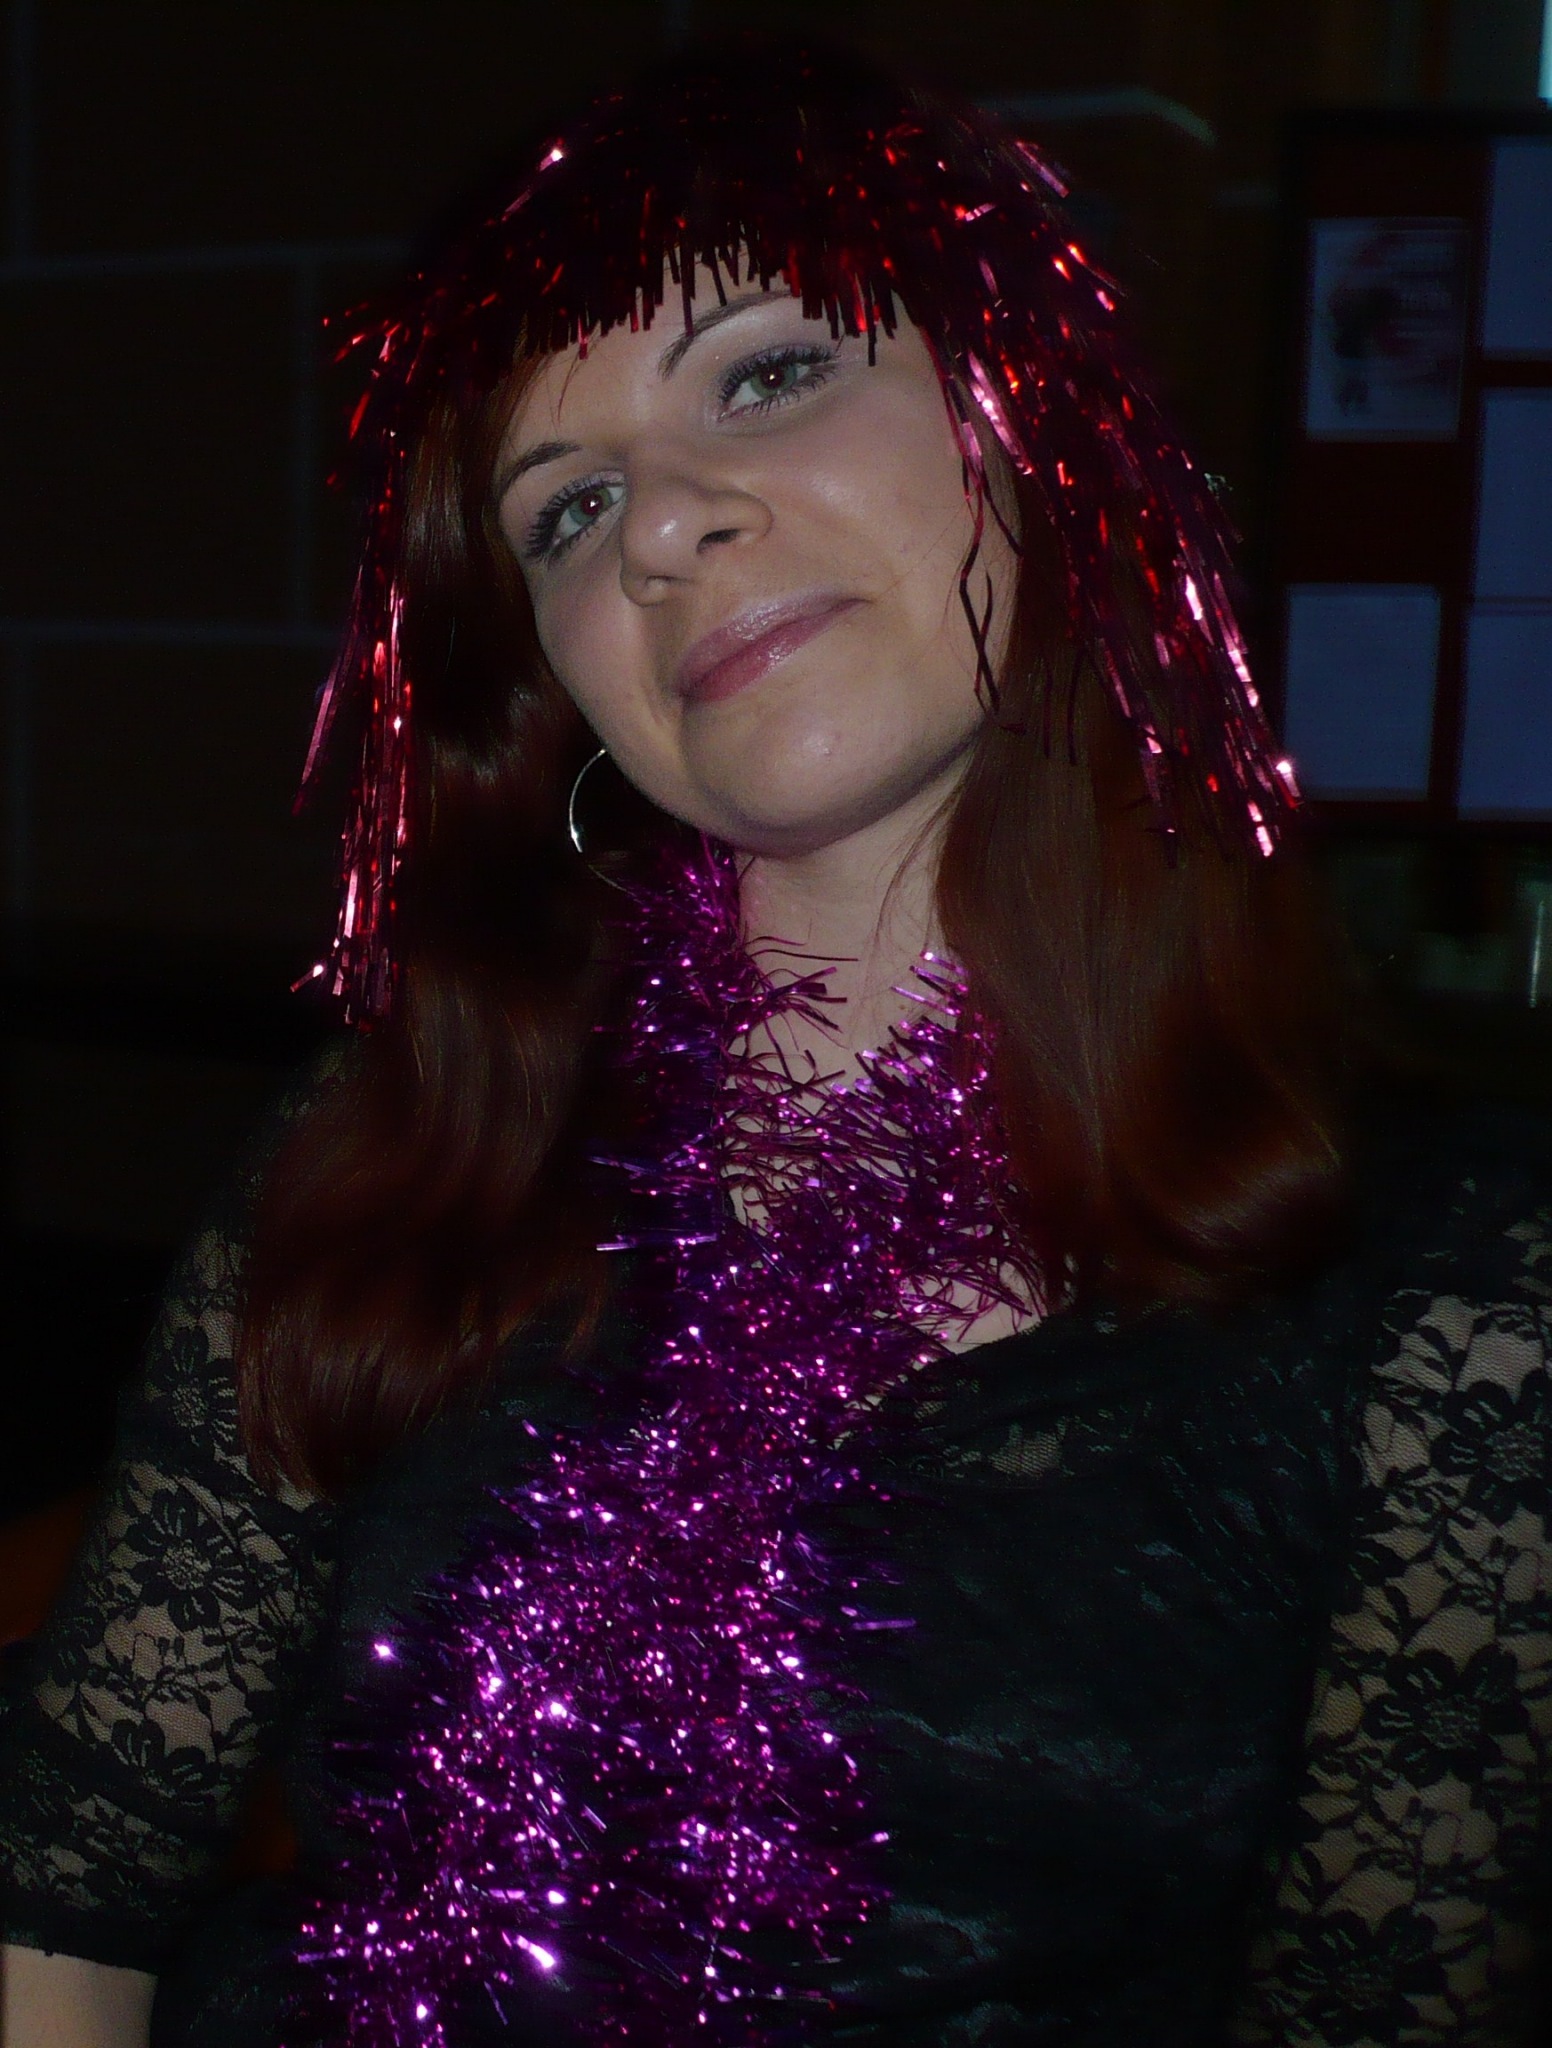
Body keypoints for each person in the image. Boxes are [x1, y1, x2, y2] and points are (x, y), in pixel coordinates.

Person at [3, 36, 1549, 2048]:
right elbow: (74, 1868)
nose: (656, 528)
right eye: (567, 508)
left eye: (766, 374)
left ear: (1027, 423)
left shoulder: (1452, 1286)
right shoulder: (403, 1142)